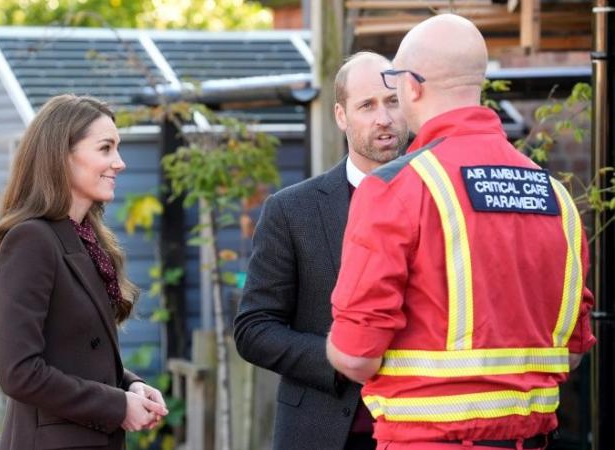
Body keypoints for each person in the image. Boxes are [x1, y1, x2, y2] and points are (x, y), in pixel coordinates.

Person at [326, 14, 596, 450]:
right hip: (534, 439)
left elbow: (356, 355)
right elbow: (573, 350)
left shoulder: (397, 188)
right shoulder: (555, 196)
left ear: (411, 86)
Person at [234, 52, 409, 450]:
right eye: (367, 105)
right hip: (323, 431)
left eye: (392, 100)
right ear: (341, 116)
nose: (383, 117)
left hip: (421, 429)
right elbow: (254, 329)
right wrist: (343, 360)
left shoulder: (440, 198)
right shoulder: (292, 209)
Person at [0, 94, 168, 450]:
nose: (120, 163)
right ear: (62, 155)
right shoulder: (32, 239)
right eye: (106, 148)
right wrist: (116, 406)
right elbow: (19, 373)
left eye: (118, 148)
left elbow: (75, 354)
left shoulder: (85, 239)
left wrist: (128, 386)